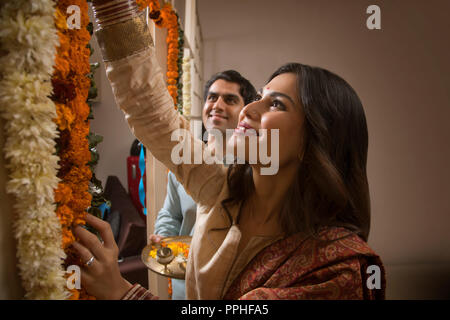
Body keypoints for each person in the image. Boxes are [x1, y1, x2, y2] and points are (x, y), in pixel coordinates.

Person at [72, 0, 386, 300]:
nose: (250, 109)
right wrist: (111, 9)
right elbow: (150, 112)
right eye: (259, 96)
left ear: (314, 141)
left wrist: (121, 292)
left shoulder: (338, 271)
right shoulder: (223, 188)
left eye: (276, 104)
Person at [151, 70, 256, 300]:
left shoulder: (256, 170)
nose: (217, 105)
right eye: (212, 97)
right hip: (184, 288)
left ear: (245, 112)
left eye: (229, 100)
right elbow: (172, 213)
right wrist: (163, 236)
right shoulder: (186, 162)